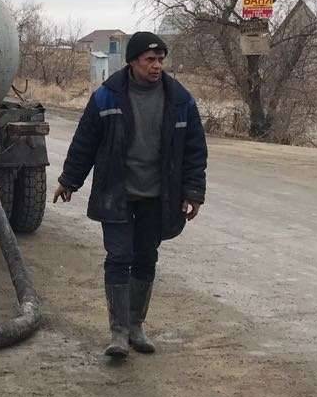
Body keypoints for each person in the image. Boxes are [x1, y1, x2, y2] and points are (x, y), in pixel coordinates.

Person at [53, 31, 208, 358]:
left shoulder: (180, 100)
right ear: (133, 62)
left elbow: (195, 151)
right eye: (150, 60)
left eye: (161, 60)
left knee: (146, 257)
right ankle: (118, 332)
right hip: (117, 190)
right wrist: (69, 181)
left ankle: (137, 326)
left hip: (158, 195)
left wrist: (193, 192)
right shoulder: (106, 98)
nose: (157, 66)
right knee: (119, 257)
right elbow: (85, 142)